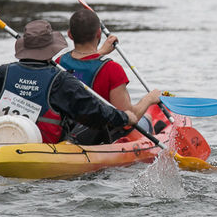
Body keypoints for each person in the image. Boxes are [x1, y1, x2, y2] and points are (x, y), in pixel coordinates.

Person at [0, 20, 138, 145]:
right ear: (51, 47)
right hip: (45, 146)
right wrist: (124, 117)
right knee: (93, 121)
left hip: (0, 136)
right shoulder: (60, 79)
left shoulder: (3, 71)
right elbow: (94, 110)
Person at [57, 9, 161, 141]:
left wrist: (99, 53)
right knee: (148, 118)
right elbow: (128, 118)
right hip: (103, 137)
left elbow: (83, 64)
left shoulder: (59, 63)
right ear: (99, 34)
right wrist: (149, 99)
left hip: (70, 130)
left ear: (70, 35)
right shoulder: (112, 69)